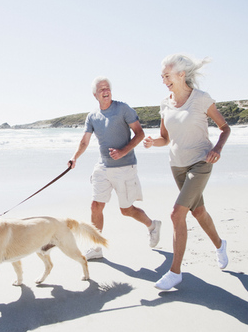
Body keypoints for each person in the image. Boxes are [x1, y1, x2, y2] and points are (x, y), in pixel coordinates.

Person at [144, 53, 231, 290]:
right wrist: (153, 142)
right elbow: (165, 138)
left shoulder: (201, 99)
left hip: (201, 162)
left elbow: (225, 128)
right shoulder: (165, 103)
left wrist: (217, 149)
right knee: (198, 212)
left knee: (176, 213)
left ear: (182, 74)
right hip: (177, 165)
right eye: (162, 76)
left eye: (167, 75)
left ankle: (175, 272)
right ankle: (220, 244)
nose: (164, 80)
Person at [69, 76, 161, 260]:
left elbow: (140, 133)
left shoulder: (122, 109)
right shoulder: (92, 116)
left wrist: (123, 151)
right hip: (103, 167)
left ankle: (152, 225)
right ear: (95, 94)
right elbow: (85, 141)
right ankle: (96, 248)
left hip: (125, 166)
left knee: (126, 210)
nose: (106, 91)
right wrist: (74, 158)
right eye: (101, 89)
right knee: (96, 206)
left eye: (108, 87)